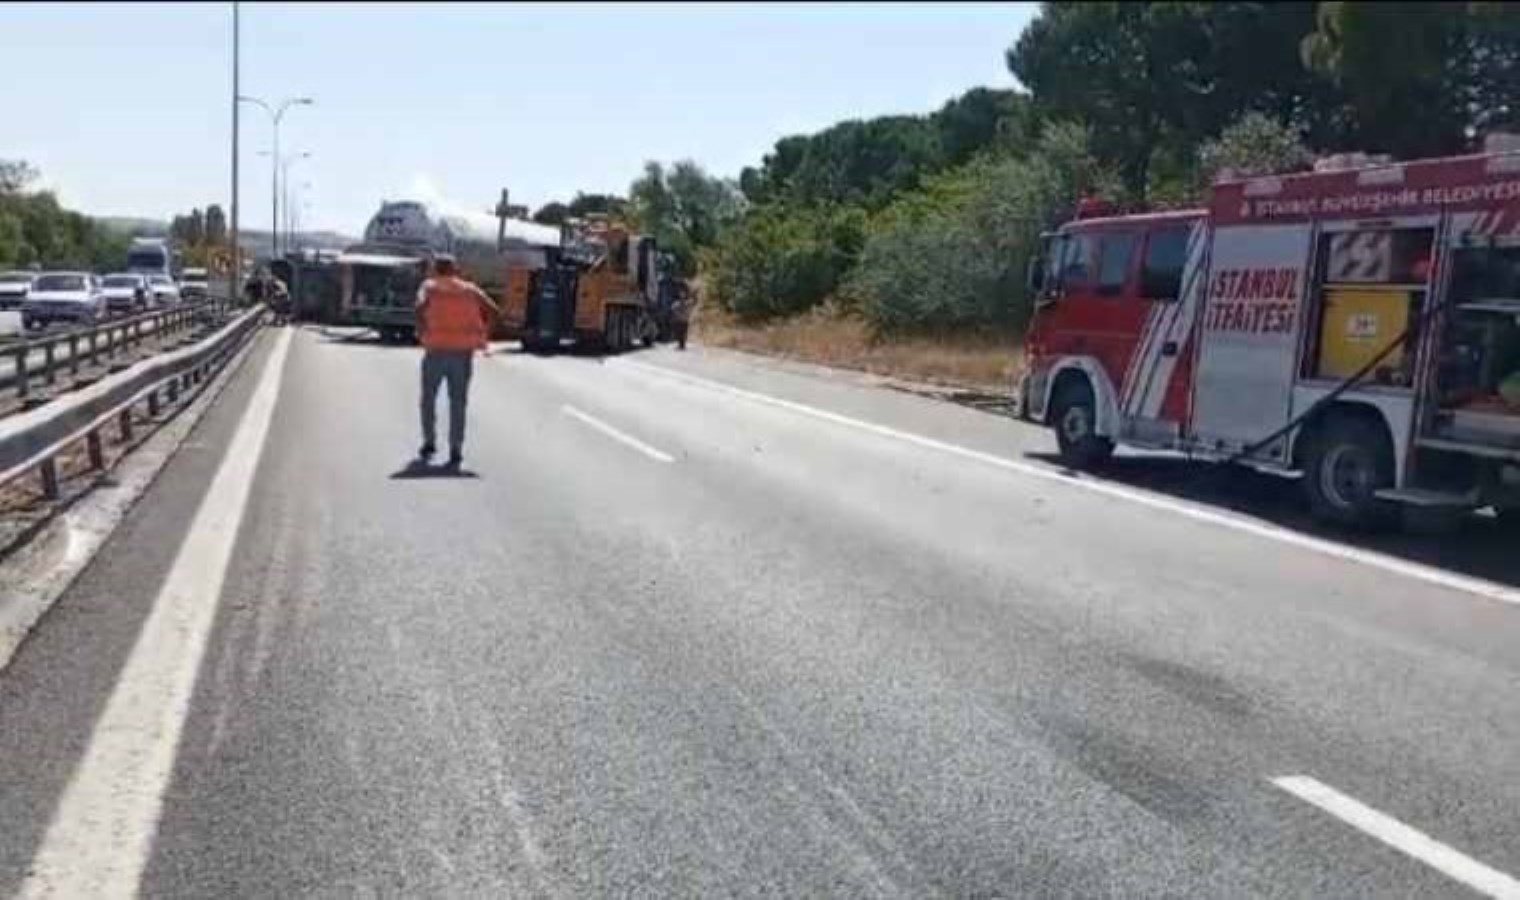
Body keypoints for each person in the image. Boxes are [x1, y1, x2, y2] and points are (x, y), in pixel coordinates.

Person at [415, 254, 499, 468]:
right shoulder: (470, 290)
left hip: (435, 350)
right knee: (458, 402)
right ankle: (456, 449)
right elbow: (493, 310)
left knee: (428, 399)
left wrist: (422, 331)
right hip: (462, 353)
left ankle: (429, 442)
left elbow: (419, 307)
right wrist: (484, 335)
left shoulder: (429, 287)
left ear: (435, 269)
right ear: (455, 270)